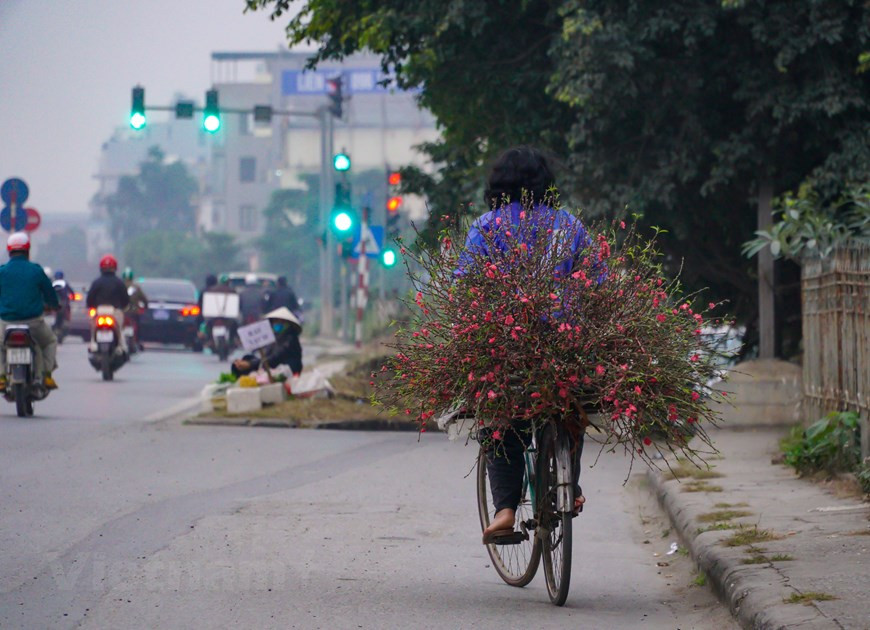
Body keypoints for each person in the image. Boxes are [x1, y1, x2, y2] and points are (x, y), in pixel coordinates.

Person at [459, 146, 590, 544]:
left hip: (507, 346)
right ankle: (571, 485)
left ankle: (505, 510)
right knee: (572, 409)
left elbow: (465, 286)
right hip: (565, 343)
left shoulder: (487, 227)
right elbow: (595, 283)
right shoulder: (570, 227)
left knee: (500, 417)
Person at [0, 232, 60, 391]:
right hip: (33, 323)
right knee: (50, 341)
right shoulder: (36, 270)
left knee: (0, 345)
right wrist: (54, 305)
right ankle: (46, 375)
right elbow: (50, 294)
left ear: (9, 251)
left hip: (6, 323)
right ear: (28, 250)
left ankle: (1, 377)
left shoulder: (2, 271)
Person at [231, 307, 303, 378]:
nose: (277, 323)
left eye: (281, 321)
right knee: (246, 358)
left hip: (287, 368)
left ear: (288, 324)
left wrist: (250, 364)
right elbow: (266, 356)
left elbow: (275, 358)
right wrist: (248, 362)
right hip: (272, 364)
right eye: (275, 321)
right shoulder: (274, 336)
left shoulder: (290, 339)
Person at [86, 255, 130, 355]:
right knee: (119, 329)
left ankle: (93, 343)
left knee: (93, 327)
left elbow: (90, 298)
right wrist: (124, 307)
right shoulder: (119, 283)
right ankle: (121, 346)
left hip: (99, 311)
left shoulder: (96, 282)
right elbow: (125, 299)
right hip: (115, 311)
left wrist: (91, 307)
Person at [121, 267, 148, 350]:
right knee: (138, 326)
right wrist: (146, 306)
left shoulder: (120, 286)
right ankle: (138, 341)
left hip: (122, 312)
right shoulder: (136, 287)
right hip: (133, 313)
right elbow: (144, 299)